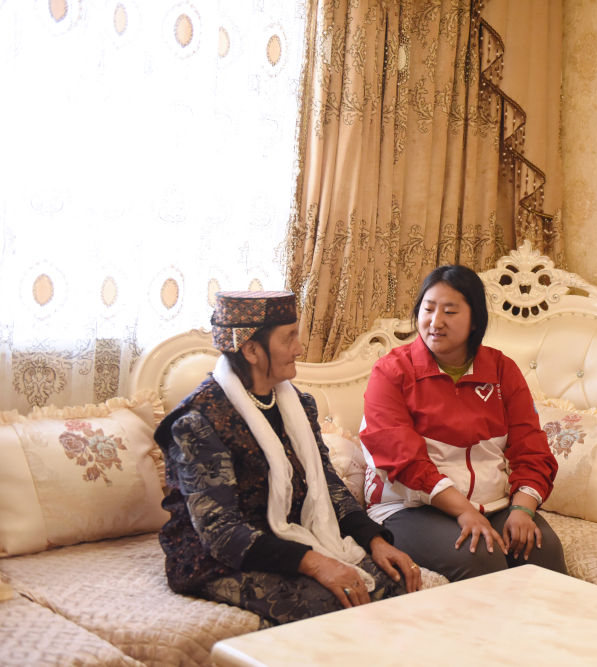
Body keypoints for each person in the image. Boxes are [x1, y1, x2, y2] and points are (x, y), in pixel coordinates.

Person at [155, 290, 420, 626]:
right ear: (251, 350)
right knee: (337, 604)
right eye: (289, 338)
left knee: (397, 582)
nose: (298, 348)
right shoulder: (199, 422)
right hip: (219, 558)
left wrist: (375, 540)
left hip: (289, 537)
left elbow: (328, 485)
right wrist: (316, 563)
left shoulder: (296, 404)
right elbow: (221, 534)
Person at [359, 265, 567, 581]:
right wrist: (464, 511)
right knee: (479, 555)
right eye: (428, 309)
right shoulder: (392, 372)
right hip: (408, 506)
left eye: (450, 312)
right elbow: (401, 458)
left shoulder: (502, 371)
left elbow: (532, 448)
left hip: (491, 504)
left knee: (541, 549)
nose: (435, 322)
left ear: (475, 321)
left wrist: (523, 509)